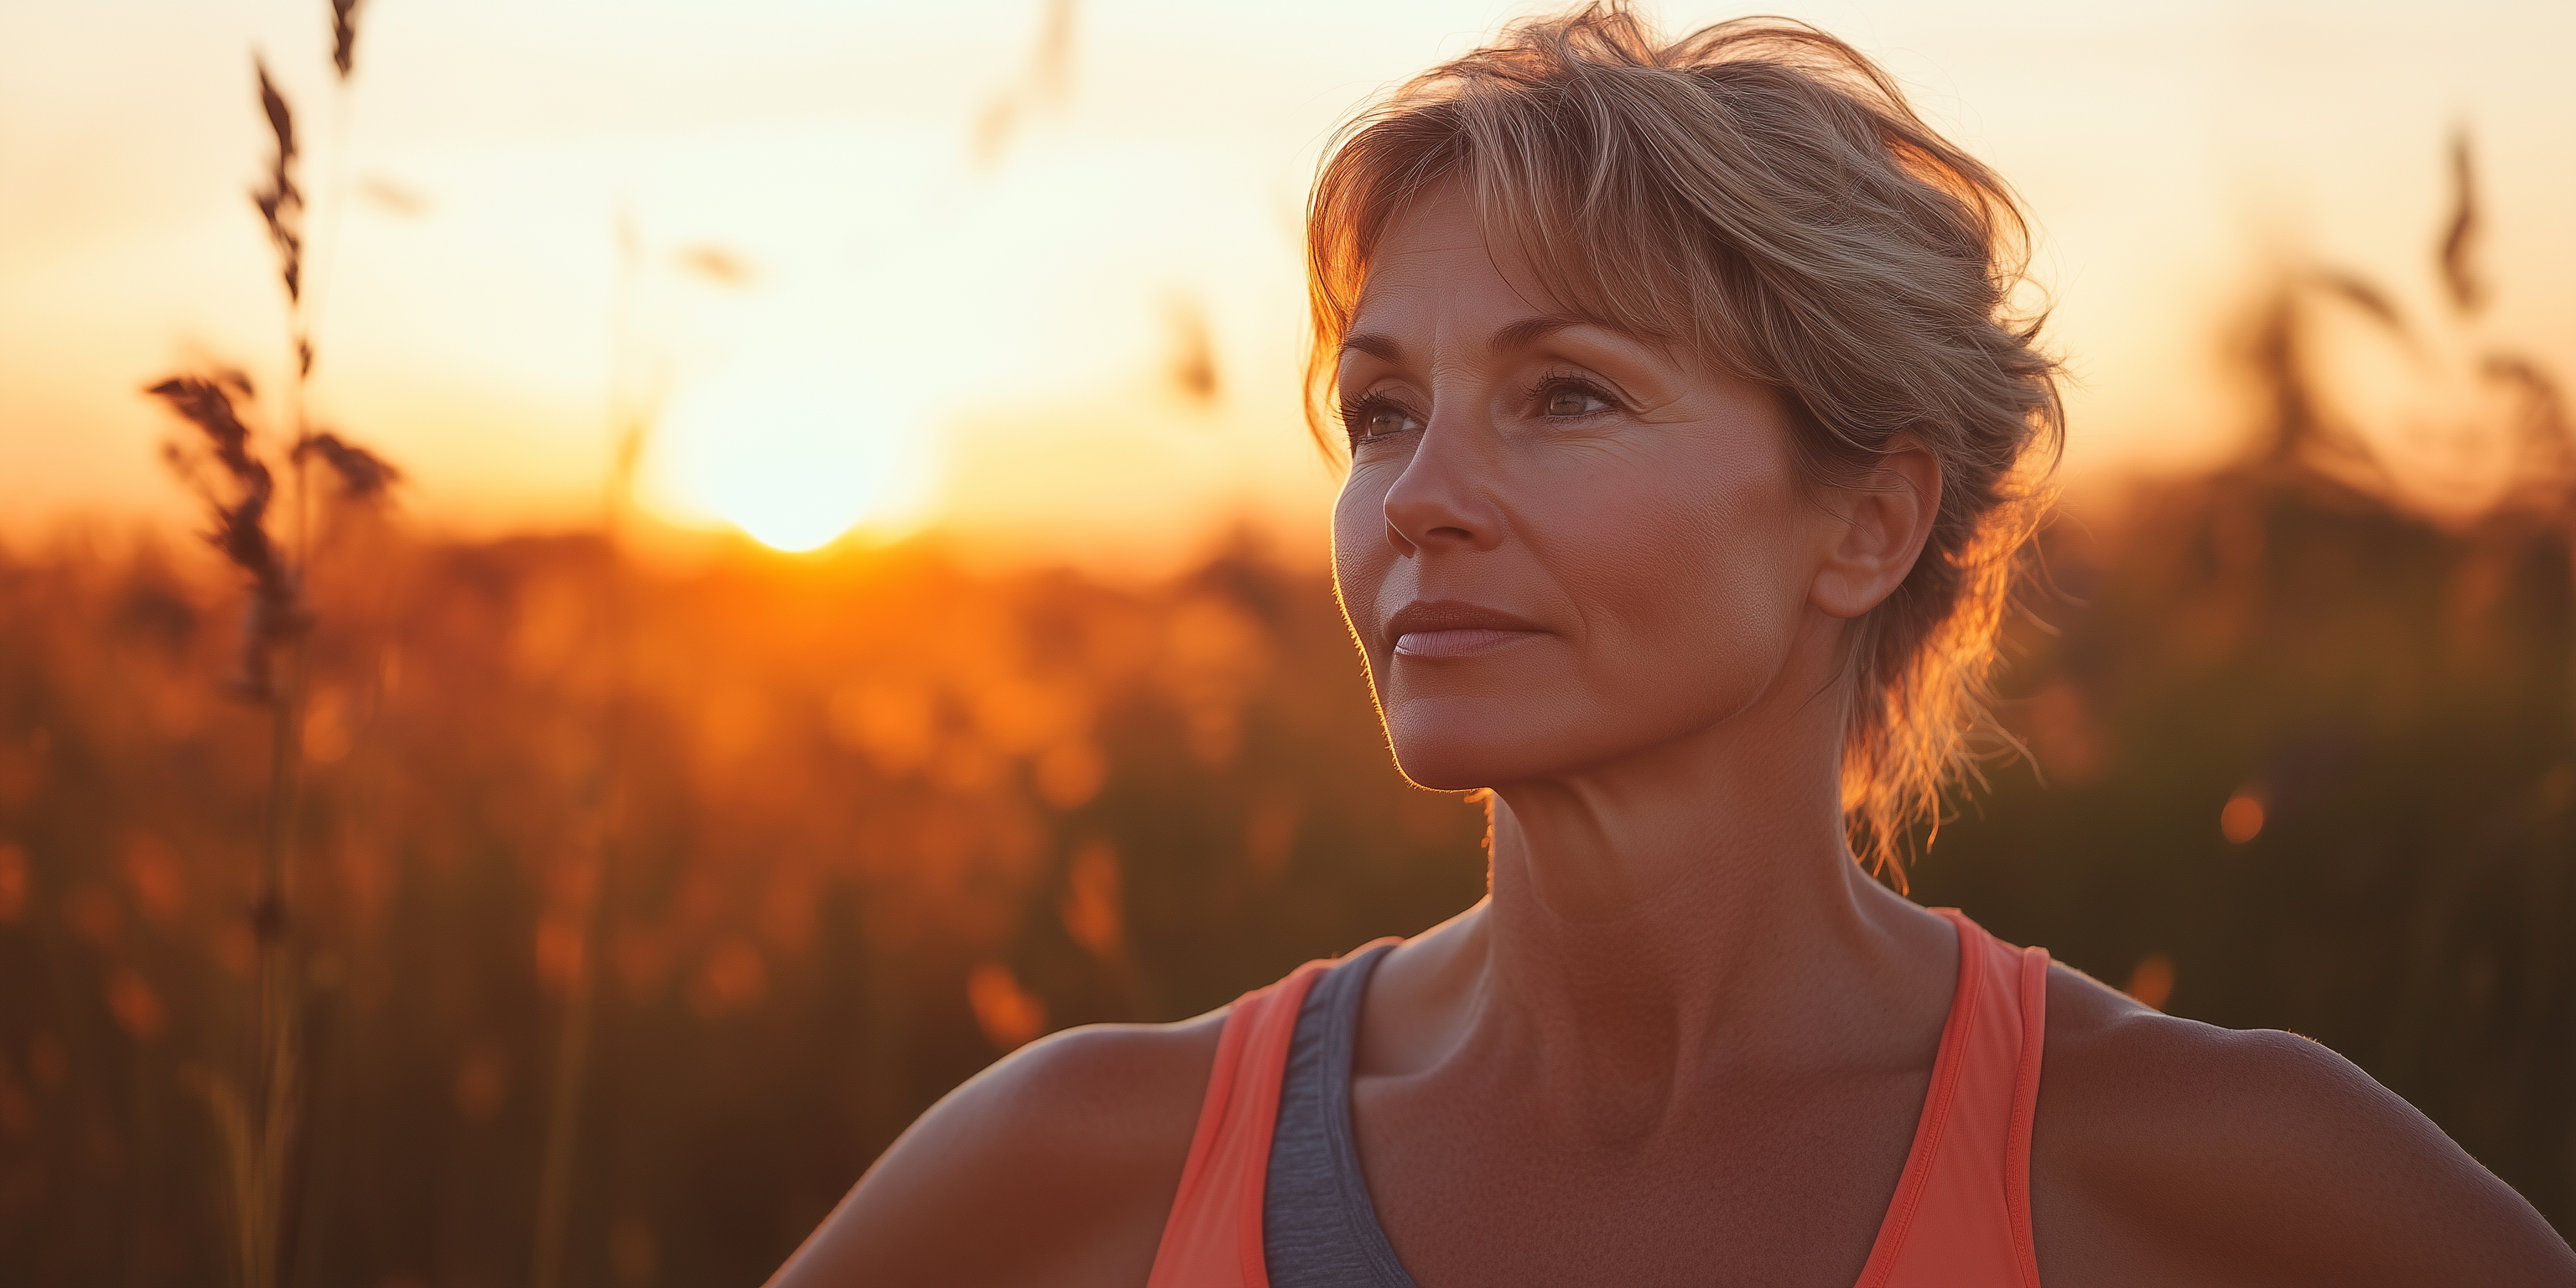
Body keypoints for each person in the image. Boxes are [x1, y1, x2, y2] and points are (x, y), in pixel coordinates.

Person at [768, 7, 2576, 1285]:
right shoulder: (1088, 1163)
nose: (1418, 500)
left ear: (1866, 523)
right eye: (1385, 412)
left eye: (1565, 394)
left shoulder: (2207, 1175)